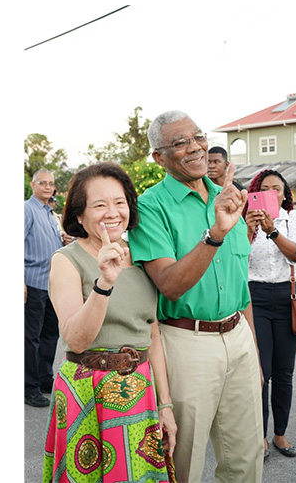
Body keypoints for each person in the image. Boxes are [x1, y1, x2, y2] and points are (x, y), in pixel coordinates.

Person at [128, 110, 264, 482]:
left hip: (238, 338)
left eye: (198, 136)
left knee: (246, 457)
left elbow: (241, 283)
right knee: (182, 459)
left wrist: (251, 347)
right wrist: (215, 234)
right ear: (158, 157)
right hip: (186, 341)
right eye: (180, 142)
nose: (195, 147)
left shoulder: (229, 197)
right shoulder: (149, 207)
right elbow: (170, 284)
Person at [43, 163, 177, 483]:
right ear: (79, 215)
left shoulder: (143, 256)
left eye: (120, 202)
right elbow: (75, 339)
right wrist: (104, 283)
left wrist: (166, 404)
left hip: (139, 391)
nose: (112, 212)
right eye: (99, 205)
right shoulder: (66, 260)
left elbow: (152, 333)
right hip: (85, 392)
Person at [243, 169, 296, 460]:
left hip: (285, 297)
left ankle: (280, 434)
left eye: (277, 189)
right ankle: (261, 437)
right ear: (256, 192)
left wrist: (272, 231)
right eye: (265, 188)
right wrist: (248, 229)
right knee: (261, 373)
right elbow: (236, 257)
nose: (272, 193)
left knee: (284, 372)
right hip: (254, 297)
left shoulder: (292, 218)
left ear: (284, 194)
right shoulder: (245, 221)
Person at [25, 169, 64, 407]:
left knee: (51, 334)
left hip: (52, 284)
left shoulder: (50, 213)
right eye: (43, 183)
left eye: (51, 184)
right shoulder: (26, 210)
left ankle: (44, 379)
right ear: (33, 185)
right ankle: (29, 387)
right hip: (33, 282)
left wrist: (63, 241)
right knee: (31, 337)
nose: (48, 187)